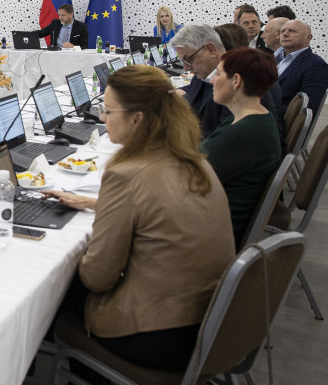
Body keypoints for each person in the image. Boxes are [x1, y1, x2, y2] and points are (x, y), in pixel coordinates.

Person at [43, 65, 235, 371]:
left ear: (138, 117)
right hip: (209, 324)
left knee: (54, 291)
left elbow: (98, 277)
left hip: (154, 334)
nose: (103, 119)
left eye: (108, 110)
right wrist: (99, 205)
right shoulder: (194, 160)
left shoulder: (126, 174)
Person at [200, 48, 281, 248]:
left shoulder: (244, 132)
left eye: (218, 74)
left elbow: (185, 178)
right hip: (217, 220)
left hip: (212, 235)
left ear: (236, 81)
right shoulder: (256, 118)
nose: (212, 80)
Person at [171, 24, 282, 137]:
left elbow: (222, 138)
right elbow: (195, 100)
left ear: (211, 49)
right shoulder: (205, 72)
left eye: (188, 59)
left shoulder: (238, 81)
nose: (186, 68)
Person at [277, 19, 328, 117]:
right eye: (283, 31)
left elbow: (306, 107)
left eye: (292, 31)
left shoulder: (316, 65)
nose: (285, 34)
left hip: (278, 123)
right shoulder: (276, 59)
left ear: (308, 38)